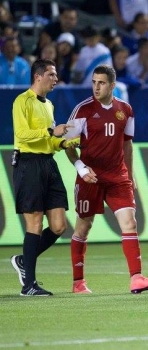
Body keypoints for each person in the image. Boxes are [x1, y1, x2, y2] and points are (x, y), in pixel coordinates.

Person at [63, 64, 148, 294]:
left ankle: (136, 278)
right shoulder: (82, 110)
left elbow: (127, 144)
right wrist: (81, 167)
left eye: (102, 83)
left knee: (130, 223)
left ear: (113, 85)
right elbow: (66, 145)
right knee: (83, 227)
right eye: (94, 82)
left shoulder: (125, 109)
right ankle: (78, 283)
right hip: (91, 178)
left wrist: (131, 173)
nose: (96, 87)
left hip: (118, 176)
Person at [10, 59, 73, 296]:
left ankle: (24, 260)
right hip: (28, 163)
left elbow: (50, 141)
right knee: (35, 223)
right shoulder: (22, 101)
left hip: (48, 163)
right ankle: (29, 286)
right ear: (38, 76)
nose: (55, 78)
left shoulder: (49, 105)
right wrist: (50, 132)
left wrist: (65, 142)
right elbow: (22, 135)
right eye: (51, 74)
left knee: (58, 226)